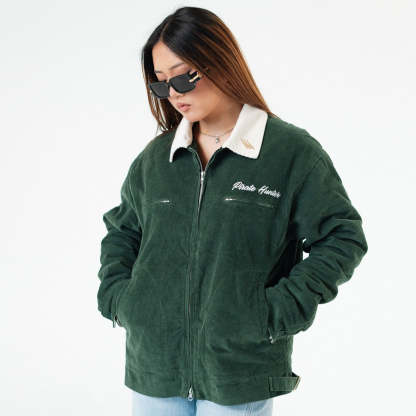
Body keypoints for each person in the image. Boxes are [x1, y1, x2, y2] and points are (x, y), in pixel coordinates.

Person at [97, 6, 368, 416]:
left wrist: (276, 311)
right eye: (161, 83)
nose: (174, 93)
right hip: (154, 367)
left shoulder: (289, 153)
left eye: (183, 77)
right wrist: (122, 299)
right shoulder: (157, 159)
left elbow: (342, 236)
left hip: (239, 371)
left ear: (220, 62)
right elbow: (123, 232)